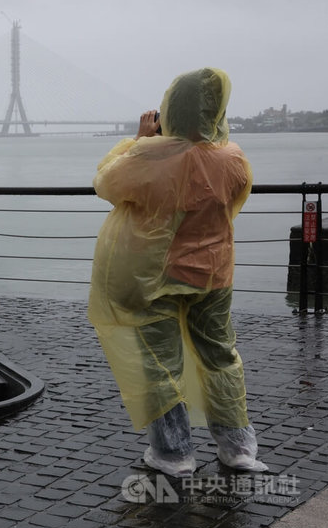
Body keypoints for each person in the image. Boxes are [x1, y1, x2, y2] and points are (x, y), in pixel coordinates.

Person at [87, 68, 267, 477]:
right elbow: (235, 197)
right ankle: (237, 447)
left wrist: (139, 140)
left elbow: (105, 183)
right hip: (214, 274)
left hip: (155, 276)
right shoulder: (233, 159)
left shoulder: (151, 156)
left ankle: (174, 453)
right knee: (221, 355)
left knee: (159, 363)